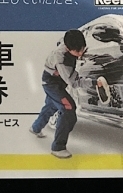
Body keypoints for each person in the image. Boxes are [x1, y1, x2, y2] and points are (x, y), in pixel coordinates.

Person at [30, 28, 86, 158]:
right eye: (77, 51)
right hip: (51, 84)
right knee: (68, 108)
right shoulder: (61, 59)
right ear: (68, 48)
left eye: (83, 49)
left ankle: (35, 128)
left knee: (51, 106)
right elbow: (74, 82)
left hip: (58, 81)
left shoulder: (69, 43)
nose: (81, 53)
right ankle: (58, 148)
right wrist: (94, 83)